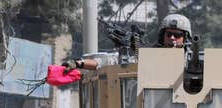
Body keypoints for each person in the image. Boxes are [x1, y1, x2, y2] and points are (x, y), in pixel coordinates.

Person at [63, 13, 192, 72]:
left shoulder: (193, 60)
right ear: (162, 36)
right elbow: (109, 61)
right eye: (169, 34)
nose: (173, 38)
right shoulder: (149, 56)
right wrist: (77, 63)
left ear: (185, 38)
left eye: (178, 35)